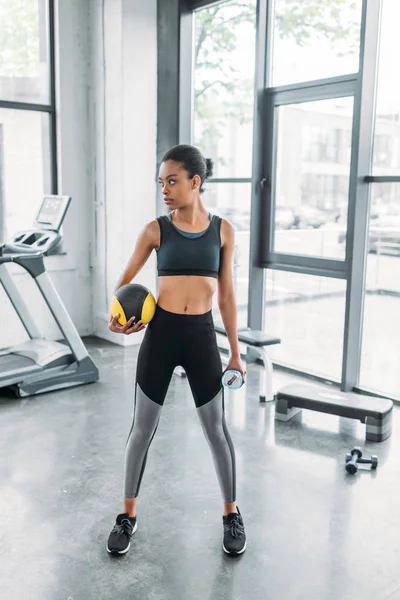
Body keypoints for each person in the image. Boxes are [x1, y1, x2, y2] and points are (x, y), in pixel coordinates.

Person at [106, 144, 247, 557]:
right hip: (162, 335)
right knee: (141, 431)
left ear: (195, 182)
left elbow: (227, 297)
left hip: (202, 336)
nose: (164, 189)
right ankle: (127, 516)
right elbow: (123, 286)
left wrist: (235, 352)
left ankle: (231, 514)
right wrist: (118, 318)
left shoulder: (223, 231)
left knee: (216, 431)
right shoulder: (155, 230)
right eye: (161, 182)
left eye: (172, 181)